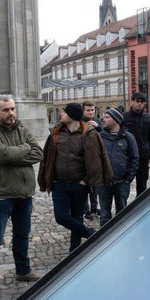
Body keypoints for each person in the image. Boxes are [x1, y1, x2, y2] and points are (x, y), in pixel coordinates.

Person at [0, 94, 43, 300]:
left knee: (22, 234)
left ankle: (23, 271)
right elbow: (4, 155)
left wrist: (15, 155)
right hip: (1, 195)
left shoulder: (21, 129)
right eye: (6, 110)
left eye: (13, 109)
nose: (11, 113)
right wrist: (22, 151)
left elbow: (38, 154)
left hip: (24, 194)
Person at [38, 103, 112, 253]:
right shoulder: (57, 132)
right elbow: (47, 157)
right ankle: (91, 234)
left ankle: (75, 251)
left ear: (71, 115)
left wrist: (85, 180)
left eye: (64, 113)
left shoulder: (89, 133)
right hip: (60, 183)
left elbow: (95, 160)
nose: (61, 115)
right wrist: (47, 179)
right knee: (61, 217)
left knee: (77, 218)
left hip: (79, 185)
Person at [97, 109, 139, 226]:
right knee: (105, 214)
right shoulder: (100, 137)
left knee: (122, 214)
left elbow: (135, 159)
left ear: (116, 120)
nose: (103, 120)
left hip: (122, 182)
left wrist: (128, 179)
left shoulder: (128, 137)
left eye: (107, 117)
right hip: (104, 182)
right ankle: (104, 239)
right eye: (104, 117)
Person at [122, 92, 150, 196]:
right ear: (132, 102)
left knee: (142, 185)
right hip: (127, 157)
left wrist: (149, 152)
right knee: (124, 184)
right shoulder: (124, 117)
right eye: (137, 101)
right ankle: (123, 210)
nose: (139, 104)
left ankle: (141, 207)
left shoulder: (148, 118)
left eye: (142, 102)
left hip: (143, 157)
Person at [82, 101, 102, 220]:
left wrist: (98, 127)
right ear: (83, 111)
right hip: (84, 159)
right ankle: (86, 210)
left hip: (96, 159)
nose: (91, 112)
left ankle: (94, 208)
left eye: (92, 110)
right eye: (88, 110)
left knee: (95, 186)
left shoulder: (98, 122)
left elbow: (105, 136)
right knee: (84, 186)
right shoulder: (79, 123)